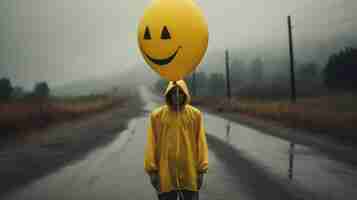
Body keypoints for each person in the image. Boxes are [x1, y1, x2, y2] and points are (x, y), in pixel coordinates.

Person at [144, 80, 208, 200]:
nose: (177, 95)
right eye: (173, 93)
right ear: (168, 94)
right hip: (166, 174)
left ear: (185, 94)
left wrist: (201, 171)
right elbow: (151, 144)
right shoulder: (157, 116)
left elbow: (201, 143)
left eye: (180, 92)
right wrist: (152, 171)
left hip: (189, 172)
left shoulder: (195, 115)